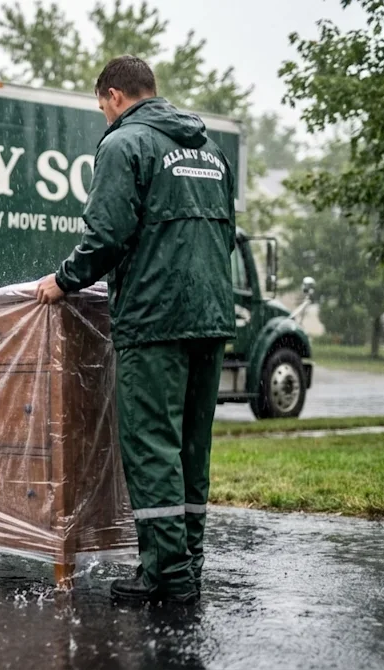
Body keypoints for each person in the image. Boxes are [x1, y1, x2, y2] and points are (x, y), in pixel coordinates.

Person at [32, 55, 237, 604]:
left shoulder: (125, 144)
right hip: (211, 318)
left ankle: (165, 575)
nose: (104, 117)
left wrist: (64, 281)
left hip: (155, 319)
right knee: (193, 446)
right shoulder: (210, 151)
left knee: (150, 446)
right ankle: (188, 564)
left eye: (103, 107)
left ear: (115, 96)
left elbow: (107, 236)